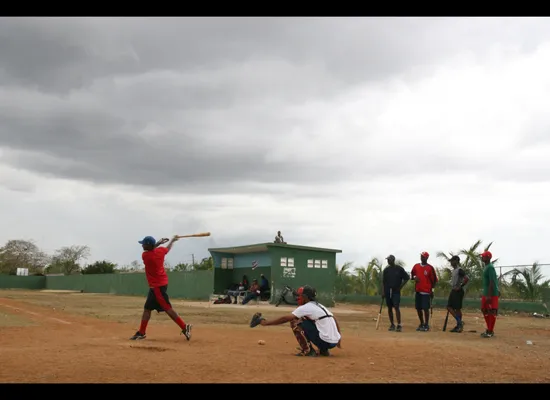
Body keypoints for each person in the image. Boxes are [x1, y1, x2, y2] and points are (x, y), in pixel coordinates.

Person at [129, 235, 192, 341]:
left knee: (167, 308)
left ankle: (185, 327)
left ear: (148, 246)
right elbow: (167, 248)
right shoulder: (160, 252)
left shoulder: (146, 256)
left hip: (157, 287)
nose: (142, 245)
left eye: (144, 244)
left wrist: (158, 243)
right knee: (147, 309)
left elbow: (152, 249)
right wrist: (172, 240)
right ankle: (141, 332)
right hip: (159, 284)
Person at [255, 285, 342, 357]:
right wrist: (339, 339)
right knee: (307, 319)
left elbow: (285, 318)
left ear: (305, 297)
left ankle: (307, 350)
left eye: (300, 295)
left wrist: (265, 323)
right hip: (333, 342)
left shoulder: (306, 307)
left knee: (294, 321)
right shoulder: (320, 306)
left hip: (325, 342)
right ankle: (324, 351)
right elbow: (334, 319)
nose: (298, 297)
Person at [411, 251, 438, 331]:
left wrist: (432, 291)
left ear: (427, 258)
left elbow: (434, 281)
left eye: (423, 256)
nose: (421, 258)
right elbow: (412, 276)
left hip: (426, 292)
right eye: (421, 256)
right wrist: (414, 278)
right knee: (418, 308)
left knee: (425, 308)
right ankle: (421, 323)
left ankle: (426, 324)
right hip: (418, 291)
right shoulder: (416, 266)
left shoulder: (430, 268)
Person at [381, 254, 410, 332]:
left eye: (389, 260)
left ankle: (399, 325)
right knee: (389, 307)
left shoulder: (399, 269)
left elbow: (407, 278)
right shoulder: (386, 270)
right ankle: (392, 324)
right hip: (387, 291)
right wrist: (383, 291)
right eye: (387, 260)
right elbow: (383, 282)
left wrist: (401, 287)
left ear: (393, 260)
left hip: (396, 291)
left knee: (396, 307)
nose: (388, 261)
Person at [446, 255, 469, 333]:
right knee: (449, 307)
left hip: (458, 291)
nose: (451, 262)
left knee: (457, 308)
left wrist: (460, 286)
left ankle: (459, 325)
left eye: (452, 261)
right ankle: (459, 322)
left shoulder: (459, 270)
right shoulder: (454, 270)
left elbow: (466, 278)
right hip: (453, 290)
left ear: (456, 261)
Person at [480, 250, 499, 338]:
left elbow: (492, 281)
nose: (482, 257)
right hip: (486, 292)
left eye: (483, 256)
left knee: (491, 311)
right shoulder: (487, 267)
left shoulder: (490, 267)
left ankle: (490, 331)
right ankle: (489, 329)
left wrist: (489, 295)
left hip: (490, 293)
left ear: (488, 257)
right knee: (484, 309)